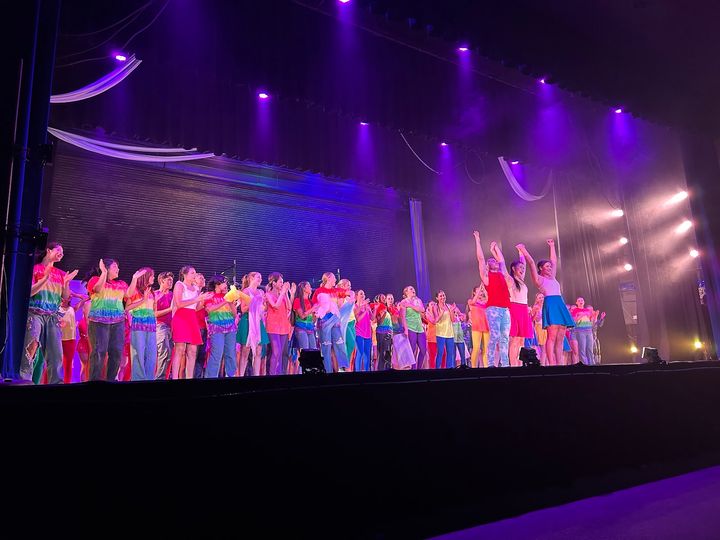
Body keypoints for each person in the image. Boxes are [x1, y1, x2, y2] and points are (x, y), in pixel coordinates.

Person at [20, 242, 78, 384]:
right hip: (35, 314)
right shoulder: (35, 269)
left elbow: (65, 297)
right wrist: (45, 279)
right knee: (31, 348)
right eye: (59, 250)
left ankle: (55, 384)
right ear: (48, 250)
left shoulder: (61, 274)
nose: (61, 254)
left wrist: (66, 283)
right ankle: (24, 380)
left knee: (55, 353)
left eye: (63, 253)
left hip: (52, 316)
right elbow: (29, 292)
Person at [516, 240, 575, 366]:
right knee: (552, 336)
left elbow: (554, 261)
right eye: (546, 266)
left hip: (560, 303)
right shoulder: (539, 279)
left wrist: (552, 246)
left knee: (560, 337)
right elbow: (531, 263)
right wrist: (523, 250)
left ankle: (560, 364)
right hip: (551, 305)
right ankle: (552, 364)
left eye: (550, 266)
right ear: (541, 268)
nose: (550, 268)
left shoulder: (552, 277)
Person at [87, 259, 144, 381]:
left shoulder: (121, 284)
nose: (118, 269)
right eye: (114, 267)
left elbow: (128, 294)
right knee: (99, 352)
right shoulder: (95, 280)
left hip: (118, 323)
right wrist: (103, 273)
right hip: (99, 322)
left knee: (116, 352)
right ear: (106, 268)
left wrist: (134, 279)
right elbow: (97, 289)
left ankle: (111, 379)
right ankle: (94, 381)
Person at [473, 232, 511, 367]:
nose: (494, 262)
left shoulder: (501, 273)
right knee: (494, 336)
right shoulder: (486, 276)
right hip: (493, 308)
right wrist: (478, 240)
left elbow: (502, 260)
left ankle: (505, 364)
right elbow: (480, 259)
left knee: (505, 338)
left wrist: (495, 249)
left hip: (505, 309)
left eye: (494, 261)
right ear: (488, 266)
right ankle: (490, 364)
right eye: (491, 261)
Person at [171, 266, 211, 379]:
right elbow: (178, 303)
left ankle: (189, 377)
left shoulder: (196, 288)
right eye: (192, 273)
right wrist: (197, 299)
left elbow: (196, 308)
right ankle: (174, 377)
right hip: (181, 317)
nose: (195, 275)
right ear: (185, 274)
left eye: (195, 273)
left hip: (192, 317)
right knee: (180, 348)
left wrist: (202, 299)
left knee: (193, 350)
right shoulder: (179, 284)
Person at [204, 275, 244, 378]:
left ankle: (231, 375)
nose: (226, 285)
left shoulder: (227, 296)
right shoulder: (209, 295)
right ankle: (211, 377)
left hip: (230, 328)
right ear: (217, 284)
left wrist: (230, 302)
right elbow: (209, 309)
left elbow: (235, 314)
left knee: (231, 353)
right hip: (216, 328)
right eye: (224, 283)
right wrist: (225, 301)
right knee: (217, 353)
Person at [312, 272, 350, 373]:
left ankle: (345, 368)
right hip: (324, 321)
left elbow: (348, 292)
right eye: (333, 278)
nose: (335, 281)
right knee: (326, 347)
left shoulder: (336, 291)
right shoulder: (318, 291)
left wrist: (349, 295)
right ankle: (327, 372)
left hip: (335, 321)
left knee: (340, 344)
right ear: (328, 278)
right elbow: (314, 307)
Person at [126, 267, 158, 381]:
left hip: (151, 324)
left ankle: (149, 378)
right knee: (138, 352)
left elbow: (154, 310)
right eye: (152, 275)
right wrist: (143, 300)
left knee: (152, 354)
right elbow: (127, 308)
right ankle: (138, 379)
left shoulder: (152, 292)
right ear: (145, 277)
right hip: (138, 323)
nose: (153, 278)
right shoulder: (134, 291)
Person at [265, 272, 295, 376]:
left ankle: (280, 373)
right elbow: (275, 306)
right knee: (276, 352)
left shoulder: (282, 294)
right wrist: (282, 293)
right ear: (273, 283)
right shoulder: (268, 294)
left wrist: (286, 293)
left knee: (281, 353)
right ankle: (272, 374)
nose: (282, 284)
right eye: (280, 282)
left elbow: (289, 307)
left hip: (283, 326)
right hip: (273, 326)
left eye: (283, 282)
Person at [237, 272, 266, 376]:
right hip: (248, 322)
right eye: (258, 277)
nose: (260, 279)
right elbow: (243, 309)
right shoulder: (245, 291)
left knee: (259, 351)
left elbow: (263, 308)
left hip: (258, 322)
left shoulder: (261, 292)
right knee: (246, 350)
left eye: (261, 278)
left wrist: (263, 305)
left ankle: (256, 375)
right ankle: (240, 375)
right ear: (251, 278)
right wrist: (254, 302)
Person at [508, 256, 533, 367]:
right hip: (515, 308)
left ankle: (519, 364)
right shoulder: (511, 280)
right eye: (520, 268)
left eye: (523, 268)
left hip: (523, 309)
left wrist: (521, 252)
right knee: (514, 339)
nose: (523, 270)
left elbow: (525, 265)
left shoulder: (521, 281)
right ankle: (513, 365)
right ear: (513, 268)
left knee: (521, 340)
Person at [398, 286, 427, 369]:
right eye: (411, 289)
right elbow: (403, 317)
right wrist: (406, 329)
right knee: (412, 350)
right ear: (406, 292)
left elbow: (422, 310)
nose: (413, 290)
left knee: (423, 350)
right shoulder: (403, 302)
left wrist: (411, 305)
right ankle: (413, 369)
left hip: (419, 328)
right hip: (410, 327)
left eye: (413, 289)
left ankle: (418, 368)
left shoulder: (418, 300)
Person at [426, 291, 455, 369]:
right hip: (440, 333)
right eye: (440, 296)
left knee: (450, 353)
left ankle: (449, 369)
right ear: (437, 298)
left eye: (443, 295)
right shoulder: (436, 307)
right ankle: (437, 370)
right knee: (440, 353)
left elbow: (453, 320)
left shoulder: (448, 306)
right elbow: (436, 320)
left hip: (449, 333)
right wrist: (441, 313)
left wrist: (452, 311)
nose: (443, 297)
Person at [154, 272, 174, 379]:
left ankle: (164, 377)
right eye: (168, 280)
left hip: (172, 327)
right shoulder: (155, 294)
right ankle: (159, 378)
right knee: (164, 352)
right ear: (162, 281)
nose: (171, 282)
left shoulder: (172, 295)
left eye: (172, 280)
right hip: (160, 326)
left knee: (170, 355)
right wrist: (170, 309)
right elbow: (154, 314)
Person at [570, 297, 598, 365]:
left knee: (590, 349)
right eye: (579, 300)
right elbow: (574, 321)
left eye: (582, 300)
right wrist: (581, 315)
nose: (580, 301)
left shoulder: (587, 310)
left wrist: (595, 316)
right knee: (582, 349)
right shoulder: (575, 310)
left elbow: (592, 322)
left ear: (584, 302)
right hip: (580, 331)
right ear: (576, 303)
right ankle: (584, 365)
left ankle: (592, 365)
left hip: (589, 331)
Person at [467, 285, 489, 368]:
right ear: (474, 293)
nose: (481, 292)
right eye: (479, 291)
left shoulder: (485, 301)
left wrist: (484, 290)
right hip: (476, 327)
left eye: (482, 291)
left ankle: (486, 367)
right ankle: (473, 367)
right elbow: (473, 302)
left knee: (486, 349)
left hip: (486, 327)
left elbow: (489, 300)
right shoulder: (471, 301)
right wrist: (480, 288)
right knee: (476, 348)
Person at [371, 294, 392, 371]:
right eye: (382, 297)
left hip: (388, 332)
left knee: (387, 351)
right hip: (381, 332)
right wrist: (385, 313)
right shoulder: (379, 308)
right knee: (383, 352)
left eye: (384, 297)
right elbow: (379, 322)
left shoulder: (387, 308)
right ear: (378, 299)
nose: (384, 298)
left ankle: (387, 368)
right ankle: (381, 369)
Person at [353, 290, 373, 372]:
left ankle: (367, 371)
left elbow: (373, 318)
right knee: (360, 353)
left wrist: (373, 310)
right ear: (356, 296)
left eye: (364, 294)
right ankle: (357, 372)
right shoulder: (355, 306)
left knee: (367, 355)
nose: (363, 295)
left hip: (368, 333)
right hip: (359, 333)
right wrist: (364, 311)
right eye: (361, 294)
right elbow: (357, 320)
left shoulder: (367, 306)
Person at [530, 293, 547, 365]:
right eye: (539, 298)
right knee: (540, 347)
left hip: (546, 328)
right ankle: (540, 364)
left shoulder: (547, 306)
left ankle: (544, 364)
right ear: (537, 299)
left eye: (542, 297)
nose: (541, 299)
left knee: (545, 348)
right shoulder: (536, 307)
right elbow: (535, 320)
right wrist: (539, 311)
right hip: (539, 327)